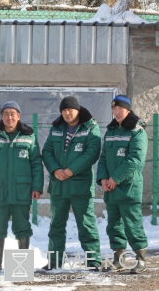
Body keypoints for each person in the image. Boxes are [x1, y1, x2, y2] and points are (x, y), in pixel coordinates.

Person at [0, 101, 43, 273]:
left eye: (13, 114)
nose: (9, 117)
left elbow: (36, 163)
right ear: (1, 116)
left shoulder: (29, 136)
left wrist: (37, 187)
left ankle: (22, 267)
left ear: (19, 116)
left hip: (22, 191)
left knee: (22, 227)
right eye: (6, 113)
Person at [42, 96, 102, 271]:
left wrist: (70, 170)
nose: (67, 113)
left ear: (78, 110)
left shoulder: (90, 127)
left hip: (80, 185)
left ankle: (93, 261)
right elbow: (47, 151)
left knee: (86, 224)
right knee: (56, 226)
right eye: (64, 110)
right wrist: (55, 170)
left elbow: (92, 153)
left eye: (71, 109)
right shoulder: (56, 129)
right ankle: (54, 262)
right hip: (59, 185)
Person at [97, 94, 148, 274]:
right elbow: (103, 158)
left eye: (120, 109)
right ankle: (118, 259)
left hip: (128, 189)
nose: (117, 112)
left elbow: (135, 161)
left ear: (128, 110)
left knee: (132, 224)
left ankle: (140, 259)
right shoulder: (111, 132)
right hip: (111, 189)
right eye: (114, 109)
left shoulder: (137, 131)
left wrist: (115, 179)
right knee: (114, 225)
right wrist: (103, 179)